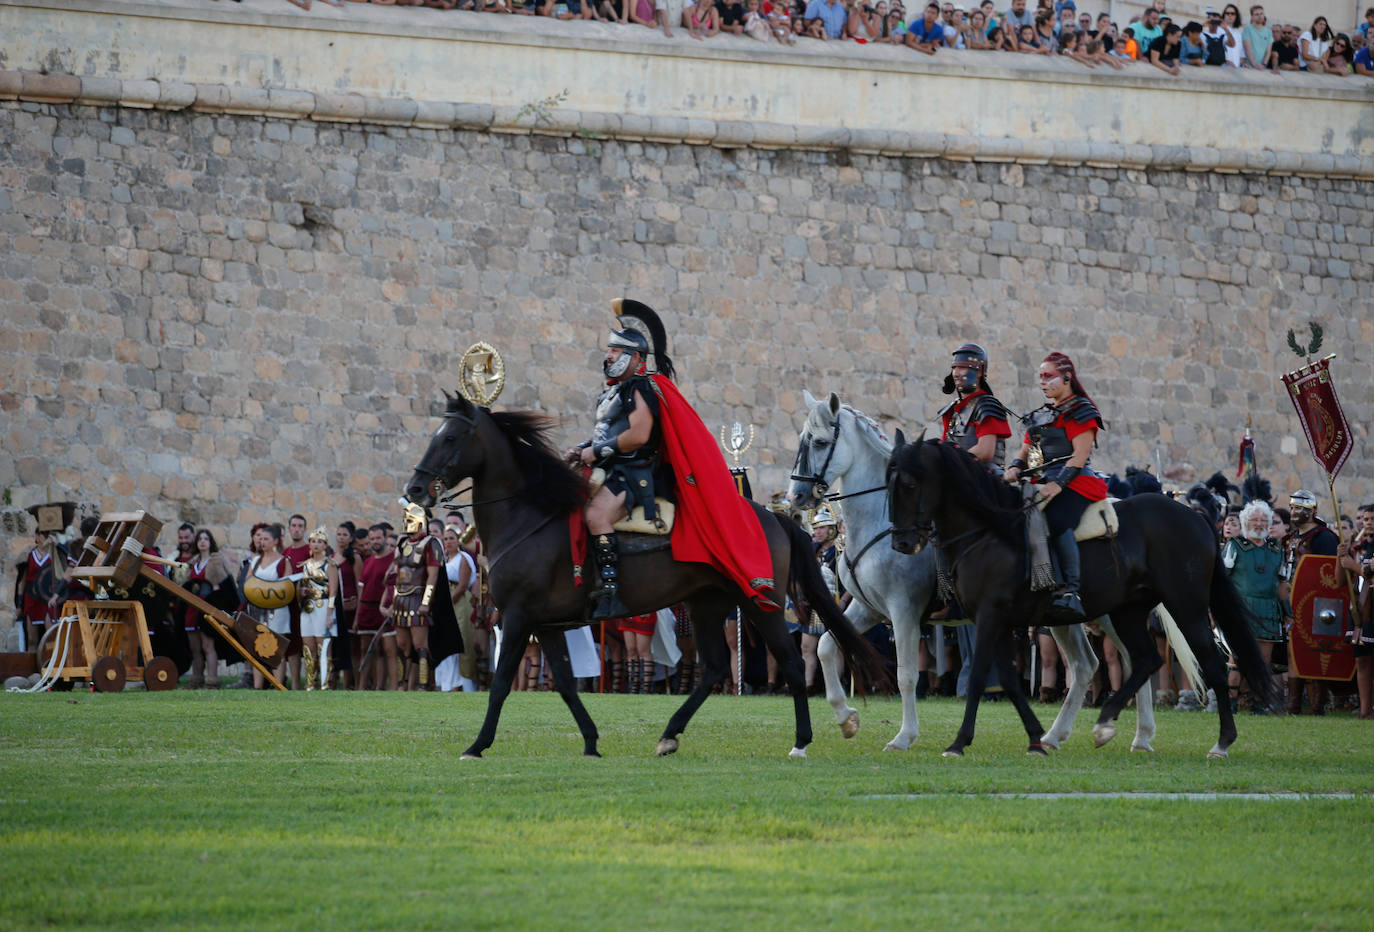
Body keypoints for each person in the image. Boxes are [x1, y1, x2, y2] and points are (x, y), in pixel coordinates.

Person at [568, 299, 780, 623]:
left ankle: (611, 591)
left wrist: (595, 452)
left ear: (635, 358)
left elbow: (638, 435)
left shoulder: (640, 387)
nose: (608, 355)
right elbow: (606, 435)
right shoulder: (613, 392)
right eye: (609, 350)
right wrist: (582, 448)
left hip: (633, 474)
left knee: (597, 515)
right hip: (609, 468)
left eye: (615, 350)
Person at [1003, 352, 1108, 622]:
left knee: (1057, 519)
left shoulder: (1082, 411)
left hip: (1077, 481)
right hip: (1042, 481)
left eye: (1048, 376)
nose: (1043, 382)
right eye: (1041, 377)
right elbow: (1026, 450)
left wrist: (1058, 485)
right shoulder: (1041, 416)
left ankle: (1071, 590)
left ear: (1067, 377)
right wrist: (1015, 467)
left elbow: (1079, 455)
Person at [379, 503, 450, 691]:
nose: (406, 523)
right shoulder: (403, 543)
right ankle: (403, 684)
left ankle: (424, 684)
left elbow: (433, 576)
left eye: (410, 520)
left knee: (420, 645)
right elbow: (397, 573)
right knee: (402, 644)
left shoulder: (431, 543)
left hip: (418, 598)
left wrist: (426, 602)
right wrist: (393, 601)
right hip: (401, 599)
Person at [1222, 500, 1283, 713]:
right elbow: (1222, 580)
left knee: (1264, 661)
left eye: (1263, 520)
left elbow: (1282, 584)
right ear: (1246, 522)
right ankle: (1231, 704)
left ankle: (1259, 704)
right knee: (1237, 658)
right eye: (1254, 519)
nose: (1259, 523)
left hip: (1268, 608)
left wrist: (1289, 612)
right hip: (1242, 608)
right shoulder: (1234, 546)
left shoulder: (1276, 549)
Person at [1282, 489, 1338, 714]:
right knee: (1293, 649)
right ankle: (1294, 704)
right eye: (1293, 508)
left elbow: (1328, 573)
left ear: (1312, 511)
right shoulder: (1291, 537)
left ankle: (1317, 705)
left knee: (1315, 650)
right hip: (1292, 600)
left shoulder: (1323, 537)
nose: (1294, 512)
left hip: (1316, 603)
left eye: (1300, 509)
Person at [937, 343, 1011, 467]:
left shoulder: (987, 407)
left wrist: (951, 461)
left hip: (985, 480)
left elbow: (985, 452)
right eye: (954, 367)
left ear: (979, 371)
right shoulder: (953, 410)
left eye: (962, 367)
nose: (955, 373)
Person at [182, 529, 237, 689]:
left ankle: (212, 680)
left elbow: (220, 587)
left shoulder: (216, 560)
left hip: (208, 606)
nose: (202, 541)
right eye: (200, 539)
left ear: (210, 542)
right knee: (195, 648)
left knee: (208, 646)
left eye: (206, 538)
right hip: (192, 607)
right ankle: (196, 679)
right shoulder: (194, 562)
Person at [244, 523, 294, 689]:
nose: (262, 542)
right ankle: (258, 687)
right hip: (257, 609)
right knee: (258, 648)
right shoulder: (256, 560)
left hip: (276, 610)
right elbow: (248, 582)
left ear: (275, 541)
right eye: (261, 539)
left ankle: (277, 685)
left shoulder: (283, 561)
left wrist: (264, 589)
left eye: (266, 539)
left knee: (276, 649)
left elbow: (287, 587)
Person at [353, 524, 394, 690]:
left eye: (378, 538)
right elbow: (361, 589)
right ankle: (361, 686)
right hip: (365, 609)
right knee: (364, 649)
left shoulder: (392, 560)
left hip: (382, 610)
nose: (375, 542)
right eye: (372, 539)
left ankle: (379, 686)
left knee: (380, 650)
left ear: (385, 538)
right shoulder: (368, 561)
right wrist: (357, 616)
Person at [297, 527, 338, 691]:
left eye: (319, 541)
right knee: (308, 647)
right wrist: (301, 592)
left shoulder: (330, 564)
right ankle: (310, 683)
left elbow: (333, 590)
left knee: (324, 647)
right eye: (313, 541)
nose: (316, 544)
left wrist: (330, 614)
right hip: (308, 608)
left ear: (325, 545)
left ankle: (325, 682)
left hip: (323, 606)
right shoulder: (305, 565)